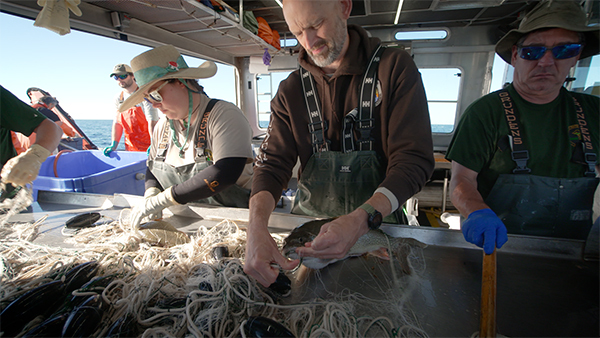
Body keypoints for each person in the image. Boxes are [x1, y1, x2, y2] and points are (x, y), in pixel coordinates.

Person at [244, 0, 434, 287]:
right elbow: (271, 165)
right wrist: (255, 228)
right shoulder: (290, 91)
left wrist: (361, 220)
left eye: (315, 24)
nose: (309, 41)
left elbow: (414, 161)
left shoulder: (395, 69)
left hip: (377, 233)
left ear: (344, 8)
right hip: (310, 245)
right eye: (297, 32)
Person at [446, 0, 599, 255]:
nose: (546, 61)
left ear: (576, 56)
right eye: (533, 52)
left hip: (576, 255)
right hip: (495, 250)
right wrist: (477, 211)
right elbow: (462, 180)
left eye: (564, 50)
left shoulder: (594, 112)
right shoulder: (485, 113)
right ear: (516, 55)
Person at [117, 45, 255, 228]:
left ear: (181, 81)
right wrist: (151, 192)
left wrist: (163, 199)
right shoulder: (162, 127)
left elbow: (226, 173)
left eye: (156, 95)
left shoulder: (224, 115)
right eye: (147, 99)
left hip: (239, 221)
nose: (154, 105)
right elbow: (153, 167)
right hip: (190, 222)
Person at [1, 85, 62, 195]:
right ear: (51, 105)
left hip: (7, 187)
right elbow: (61, 126)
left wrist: (34, 156)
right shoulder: (45, 111)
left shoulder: (35, 109)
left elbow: (53, 128)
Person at [104, 63, 160, 156]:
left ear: (133, 75)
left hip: (151, 148)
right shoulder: (119, 98)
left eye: (123, 76)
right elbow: (117, 123)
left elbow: (152, 121)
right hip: (131, 149)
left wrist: (154, 143)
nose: (120, 80)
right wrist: (114, 145)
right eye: (116, 77)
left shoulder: (145, 94)